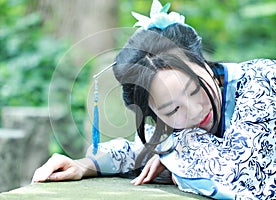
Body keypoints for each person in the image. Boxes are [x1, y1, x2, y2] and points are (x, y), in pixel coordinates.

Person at [32, 0, 276, 199]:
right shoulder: (179, 131)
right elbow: (142, 150)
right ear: (154, 113)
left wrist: (177, 156)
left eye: (194, 90)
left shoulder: (262, 81)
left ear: (204, 63)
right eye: (172, 109)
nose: (194, 111)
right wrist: (84, 166)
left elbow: (246, 176)